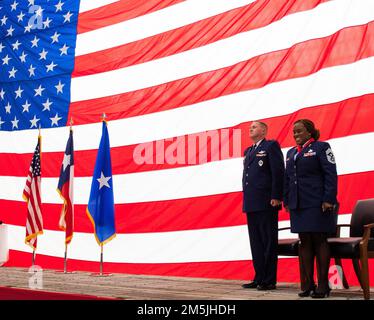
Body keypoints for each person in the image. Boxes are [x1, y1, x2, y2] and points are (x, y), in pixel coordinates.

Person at [284, 119, 338, 298]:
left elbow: (330, 174)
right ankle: (308, 284)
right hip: (298, 204)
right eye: (294, 132)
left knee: (319, 240)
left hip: (318, 202)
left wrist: (328, 198)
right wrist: (287, 199)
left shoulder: (322, 147)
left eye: (299, 131)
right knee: (304, 241)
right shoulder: (291, 153)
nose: (296, 135)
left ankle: (323, 285)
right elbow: (288, 179)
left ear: (309, 132)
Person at [242, 121, 284, 290]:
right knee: (256, 242)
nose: (250, 129)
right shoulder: (249, 150)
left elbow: (278, 171)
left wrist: (276, 196)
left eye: (254, 127)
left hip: (267, 201)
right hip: (251, 202)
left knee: (268, 242)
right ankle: (259, 277)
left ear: (264, 130)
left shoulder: (271, 146)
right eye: (250, 127)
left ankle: (269, 279)